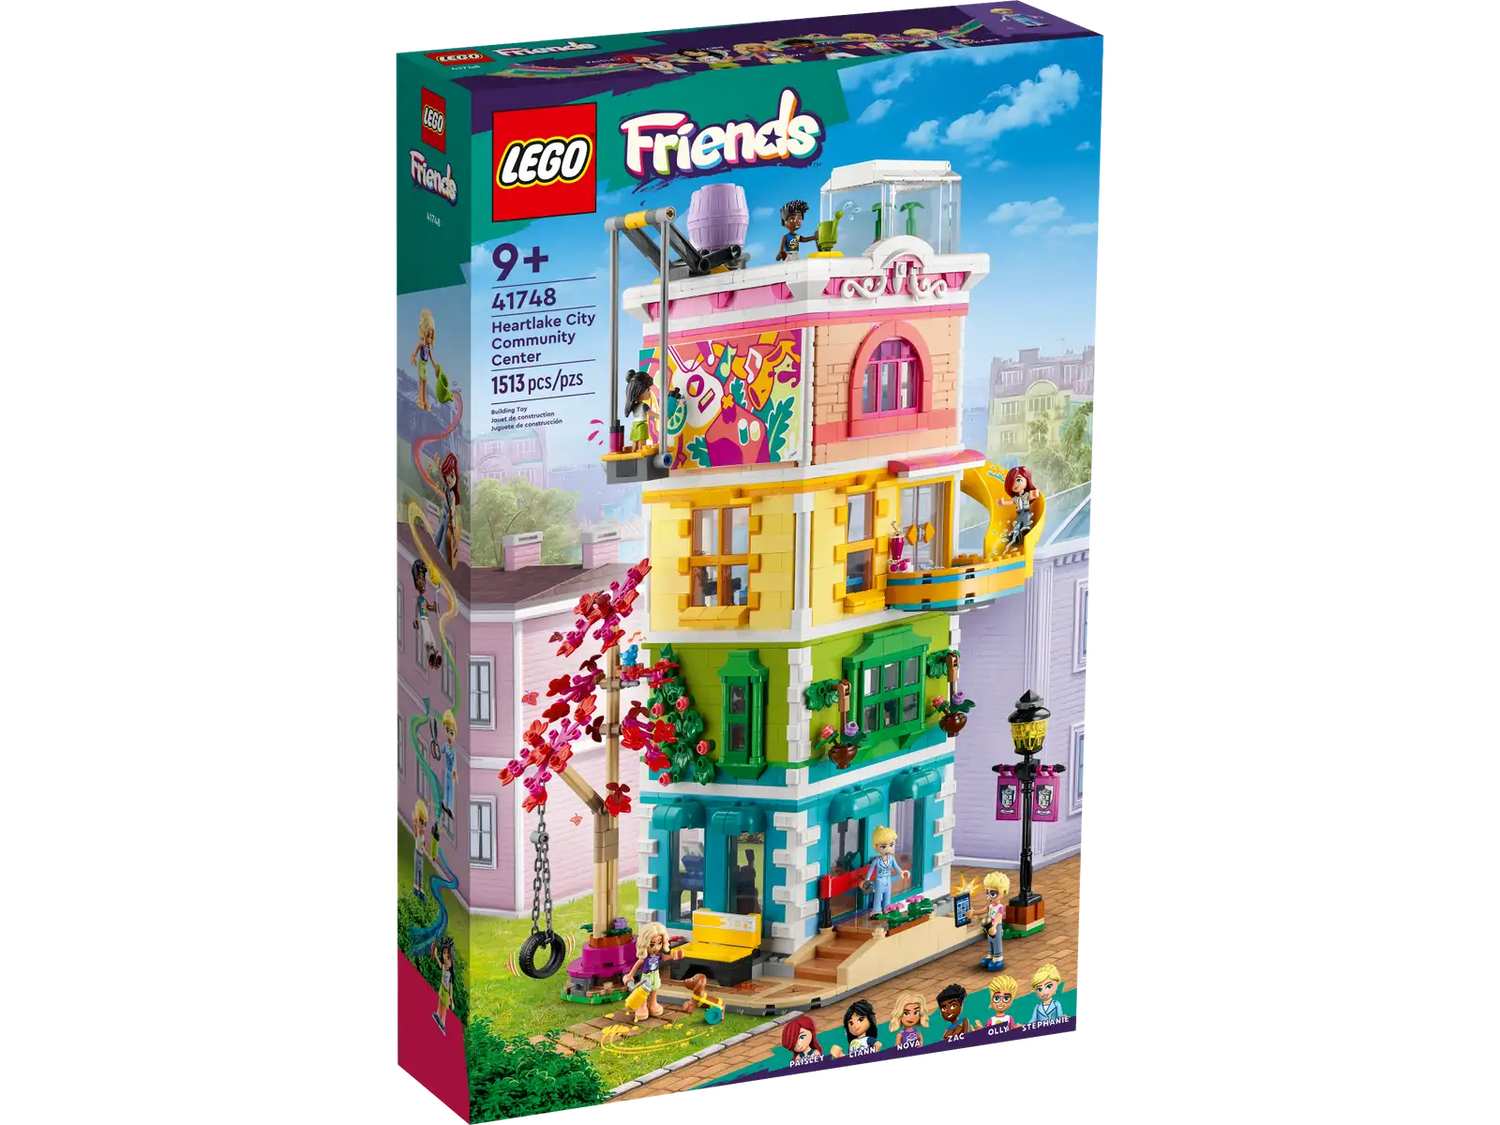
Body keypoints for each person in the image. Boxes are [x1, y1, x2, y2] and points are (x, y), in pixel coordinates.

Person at [622, 922, 683, 1023]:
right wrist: (630, 975)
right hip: (646, 977)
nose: (656, 947)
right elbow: (637, 964)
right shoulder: (644, 958)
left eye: (659, 943)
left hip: (655, 975)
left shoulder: (658, 955)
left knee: (654, 990)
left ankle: (652, 1004)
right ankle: (642, 1007)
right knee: (643, 992)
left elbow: (665, 957)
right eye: (652, 944)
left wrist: (674, 956)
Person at [863, 825, 909, 917]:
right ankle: (876, 910)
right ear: (876, 847)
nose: (888, 849)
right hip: (879, 880)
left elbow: (896, 866)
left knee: (887, 895)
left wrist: (901, 872)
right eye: (884, 846)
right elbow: (871, 870)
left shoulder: (891, 858)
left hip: (888, 879)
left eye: (891, 845)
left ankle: (886, 909)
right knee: (878, 896)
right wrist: (867, 879)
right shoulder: (877, 861)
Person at [431, 452, 462, 570]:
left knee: (444, 544)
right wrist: (438, 467)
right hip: (444, 518)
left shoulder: (452, 494)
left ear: (456, 477)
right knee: (437, 538)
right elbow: (442, 479)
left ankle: (440, 566)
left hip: (448, 520)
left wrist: (453, 525)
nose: (449, 478)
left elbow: (452, 510)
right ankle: (433, 560)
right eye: (447, 475)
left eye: (452, 476)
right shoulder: (447, 488)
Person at [1001, 465, 1039, 553]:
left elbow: (1034, 495)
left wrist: (1036, 492)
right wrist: (1003, 503)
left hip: (1026, 512)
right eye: (1012, 483)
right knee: (1017, 524)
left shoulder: (1026, 495)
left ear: (1027, 480)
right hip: (1019, 514)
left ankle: (1025, 530)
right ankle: (1015, 535)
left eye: (1018, 480)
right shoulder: (1016, 498)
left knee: (1025, 521)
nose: (1015, 485)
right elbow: (1010, 502)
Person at [411, 559, 442, 669]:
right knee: (426, 637)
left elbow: (429, 607)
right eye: (420, 580)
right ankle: (430, 653)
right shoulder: (419, 599)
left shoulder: (423, 600)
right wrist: (415, 619)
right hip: (422, 619)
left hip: (426, 619)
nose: (423, 583)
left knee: (430, 635)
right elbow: (417, 608)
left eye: (423, 580)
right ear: (416, 583)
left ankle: (433, 651)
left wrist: (435, 608)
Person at [978, 870, 1011, 969]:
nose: (988, 897)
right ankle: (991, 955)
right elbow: (984, 910)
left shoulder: (1000, 907)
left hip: (996, 927)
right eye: (987, 893)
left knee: (996, 942)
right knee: (990, 941)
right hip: (990, 926)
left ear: (1003, 892)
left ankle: (998, 958)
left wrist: (994, 927)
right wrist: (974, 912)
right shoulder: (991, 906)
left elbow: (998, 917)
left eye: (992, 894)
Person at [410, 309, 438, 411]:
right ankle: (420, 399)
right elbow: (415, 351)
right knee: (421, 381)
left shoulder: (428, 346)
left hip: (425, 364)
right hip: (421, 363)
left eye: (431, 336)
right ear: (424, 332)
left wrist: (434, 365)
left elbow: (430, 355)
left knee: (425, 381)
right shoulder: (421, 343)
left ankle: (425, 400)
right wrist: (413, 357)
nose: (430, 338)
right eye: (428, 335)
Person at [624, 369, 653, 453]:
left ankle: (633, 458)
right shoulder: (644, 406)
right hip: (641, 426)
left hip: (634, 426)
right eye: (648, 390)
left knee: (635, 445)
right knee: (641, 446)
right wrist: (659, 416)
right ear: (639, 390)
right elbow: (651, 413)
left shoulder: (634, 406)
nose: (650, 393)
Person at [439, 710, 458, 837]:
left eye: (451, 732)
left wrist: (455, 775)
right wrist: (436, 750)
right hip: (447, 770)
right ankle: (445, 803)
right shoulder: (446, 746)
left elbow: (454, 764)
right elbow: (440, 752)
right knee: (446, 788)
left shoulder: (453, 751)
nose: (449, 735)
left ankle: (450, 806)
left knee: (451, 789)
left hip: (451, 772)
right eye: (447, 731)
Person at [432, 936, 456, 1034]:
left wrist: (451, 998)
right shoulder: (444, 968)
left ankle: (442, 1023)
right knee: (440, 1004)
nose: (445, 958)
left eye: (448, 957)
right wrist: (435, 955)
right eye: (444, 954)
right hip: (442, 988)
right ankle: (438, 1016)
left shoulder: (450, 973)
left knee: (444, 1008)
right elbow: (440, 964)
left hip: (446, 992)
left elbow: (451, 986)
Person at [412, 799, 430, 900]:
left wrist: (430, 854)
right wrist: (415, 824)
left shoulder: (422, 836)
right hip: (417, 853)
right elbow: (416, 833)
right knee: (417, 871)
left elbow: (424, 844)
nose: (424, 827)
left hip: (421, 855)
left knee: (421, 872)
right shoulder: (418, 833)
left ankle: (420, 890)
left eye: (425, 824)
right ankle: (416, 888)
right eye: (422, 823)